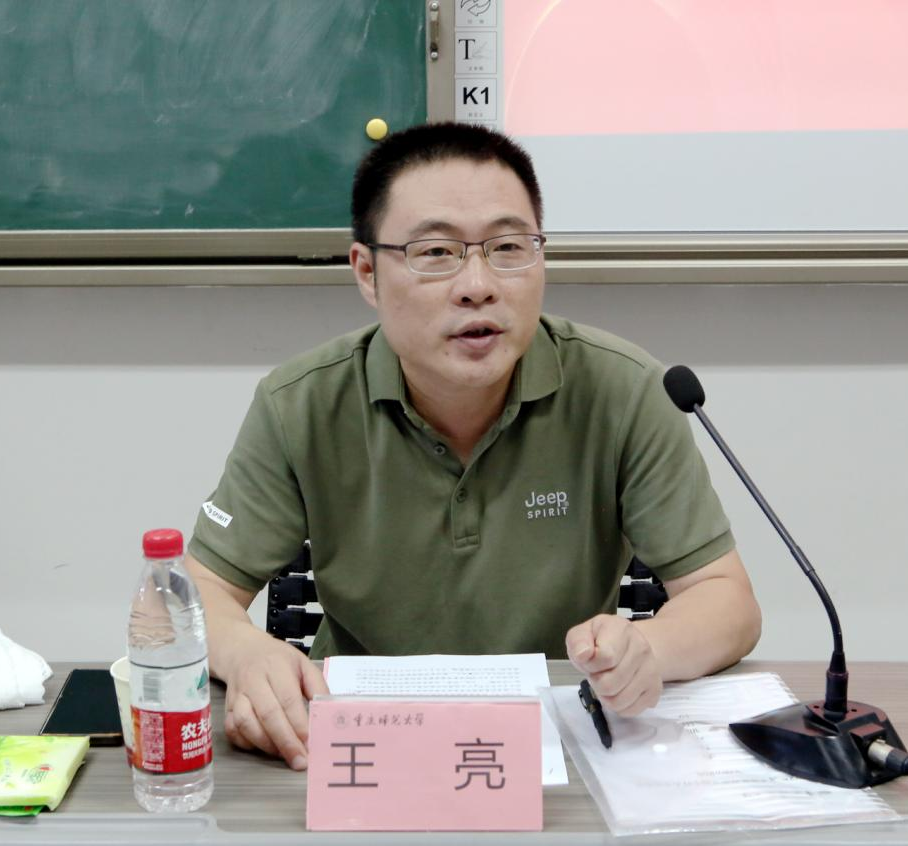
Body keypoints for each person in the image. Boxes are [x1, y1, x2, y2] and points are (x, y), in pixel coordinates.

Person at [184, 122, 760, 771]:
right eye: (436, 252)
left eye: (508, 247)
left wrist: (648, 649)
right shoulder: (300, 404)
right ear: (368, 272)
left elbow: (726, 599)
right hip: (358, 746)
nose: (477, 284)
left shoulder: (625, 392)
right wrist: (246, 653)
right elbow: (195, 592)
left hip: (560, 744)